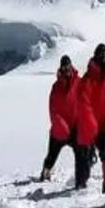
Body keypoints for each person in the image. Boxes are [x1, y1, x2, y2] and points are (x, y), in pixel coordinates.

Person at [41, 55, 91, 188]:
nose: (66, 69)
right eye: (64, 67)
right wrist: (60, 125)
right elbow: (52, 109)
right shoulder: (56, 87)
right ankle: (46, 171)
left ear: (71, 66)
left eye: (68, 66)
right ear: (61, 68)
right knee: (52, 155)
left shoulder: (79, 83)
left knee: (81, 155)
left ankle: (81, 183)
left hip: (75, 127)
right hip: (60, 129)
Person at [79, 43, 105, 193]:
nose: (104, 58)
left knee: (104, 150)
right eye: (101, 55)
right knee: (86, 155)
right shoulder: (89, 78)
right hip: (90, 125)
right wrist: (90, 125)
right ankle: (81, 182)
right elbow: (84, 102)